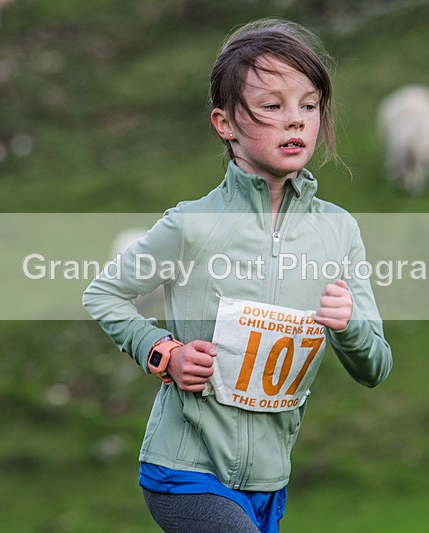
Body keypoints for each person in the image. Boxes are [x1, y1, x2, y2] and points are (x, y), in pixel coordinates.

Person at [83, 18, 392, 533]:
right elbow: (105, 294)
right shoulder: (192, 224)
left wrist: (351, 323)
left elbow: (375, 366)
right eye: (272, 106)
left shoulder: (339, 232)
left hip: (269, 482)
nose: (295, 121)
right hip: (184, 470)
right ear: (224, 124)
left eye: (309, 105)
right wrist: (164, 353)